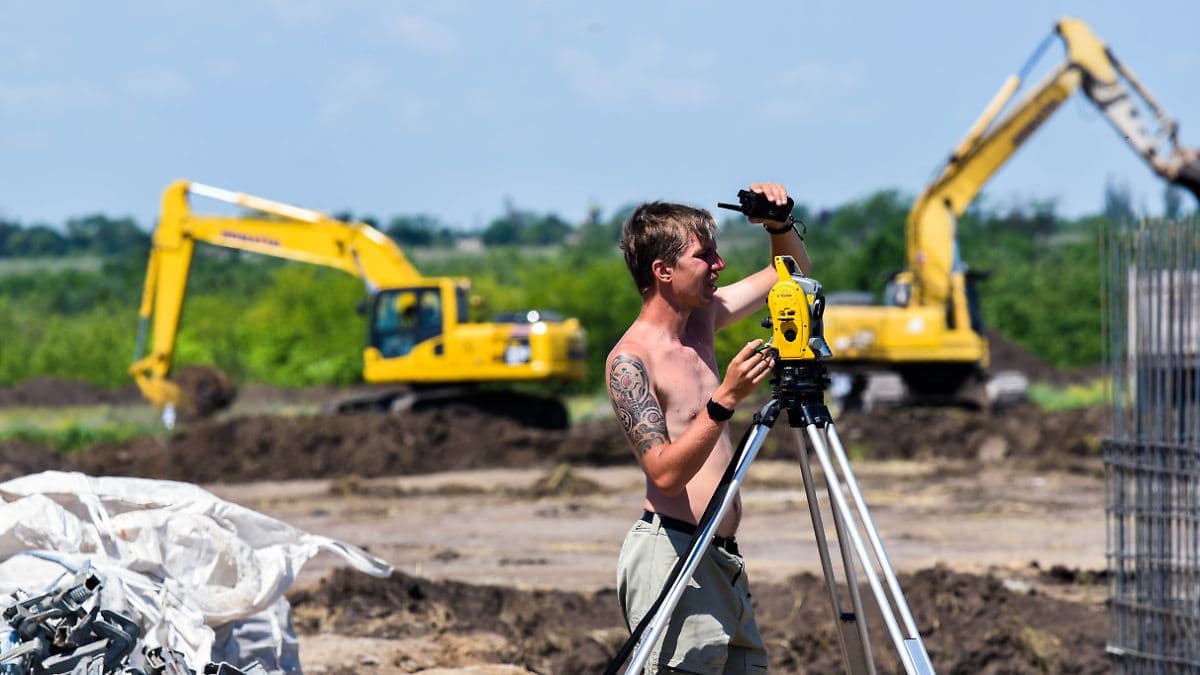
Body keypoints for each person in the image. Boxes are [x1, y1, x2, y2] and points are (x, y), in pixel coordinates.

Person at [607, 182, 810, 673]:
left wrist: (778, 225)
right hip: (672, 556)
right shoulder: (630, 361)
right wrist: (725, 401)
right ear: (663, 270)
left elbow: (793, 275)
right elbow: (664, 475)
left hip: (723, 561)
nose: (718, 264)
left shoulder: (702, 323)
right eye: (705, 256)